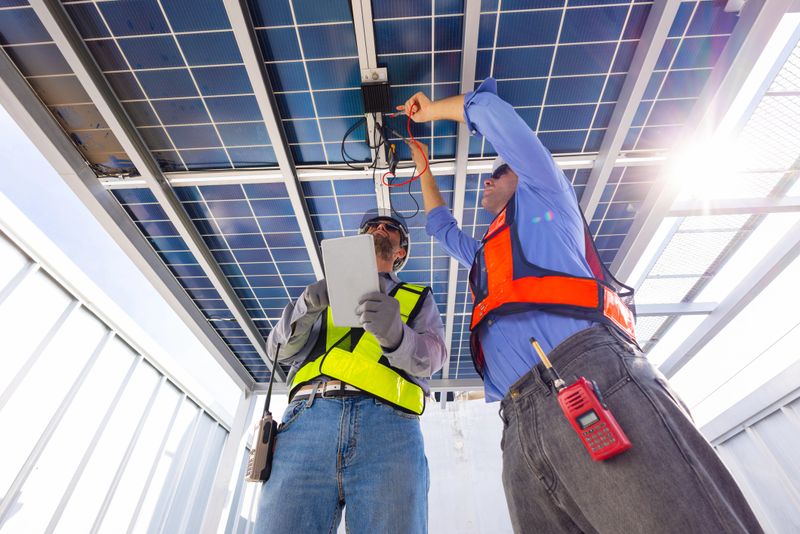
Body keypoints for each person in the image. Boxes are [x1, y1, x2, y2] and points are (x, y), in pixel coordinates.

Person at [399, 78, 763, 533]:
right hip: (515, 422)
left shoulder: (546, 190)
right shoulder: (486, 257)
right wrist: (424, 171)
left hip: (586, 377)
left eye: (501, 171)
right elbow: (440, 227)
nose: (488, 180)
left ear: (523, 173)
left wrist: (431, 112)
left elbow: (489, 110)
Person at [254, 209, 446, 534]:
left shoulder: (416, 297)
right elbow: (276, 351)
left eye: (391, 228)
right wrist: (305, 306)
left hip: (389, 431)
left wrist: (397, 335)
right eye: (372, 226)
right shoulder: (320, 295)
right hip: (306, 423)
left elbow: (433, 357)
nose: (380, 228)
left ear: (400, 253)